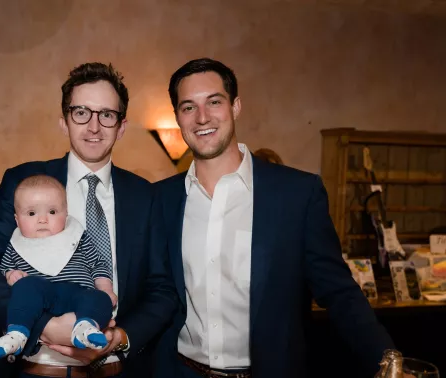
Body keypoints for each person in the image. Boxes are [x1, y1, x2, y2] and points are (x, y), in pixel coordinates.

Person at [152, 58, 396, 378]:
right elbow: (151, 291)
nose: (202, 117)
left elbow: (339, 292)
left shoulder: (297, 194)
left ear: (235, 106)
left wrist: (388, 359)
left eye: (214, 101)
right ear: (178, 117)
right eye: (188, 107)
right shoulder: (160, 199)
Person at [0, 62, 177, 378]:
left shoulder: (145, 196)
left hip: (115, 370)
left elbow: (161, 289)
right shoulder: (25, 181)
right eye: (81, 112)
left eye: (107, 115)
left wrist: (121, 337)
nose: (94, 126)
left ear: (121, 126)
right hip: (38, 369)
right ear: (64, 121)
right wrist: (43, 324)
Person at [0, 174, 116, 359]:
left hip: (78, 294)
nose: (42, 220)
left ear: (66, 213)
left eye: (52, 212)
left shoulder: (78, 237)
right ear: (16, 220)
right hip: (42, 299)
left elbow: (98, 264)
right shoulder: (16, 245)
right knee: (25, 288)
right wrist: (11, 274)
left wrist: (105, 287)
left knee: (100, 299)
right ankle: (17, 333)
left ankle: (86, 327)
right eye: (32, 213)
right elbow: (5, 268)